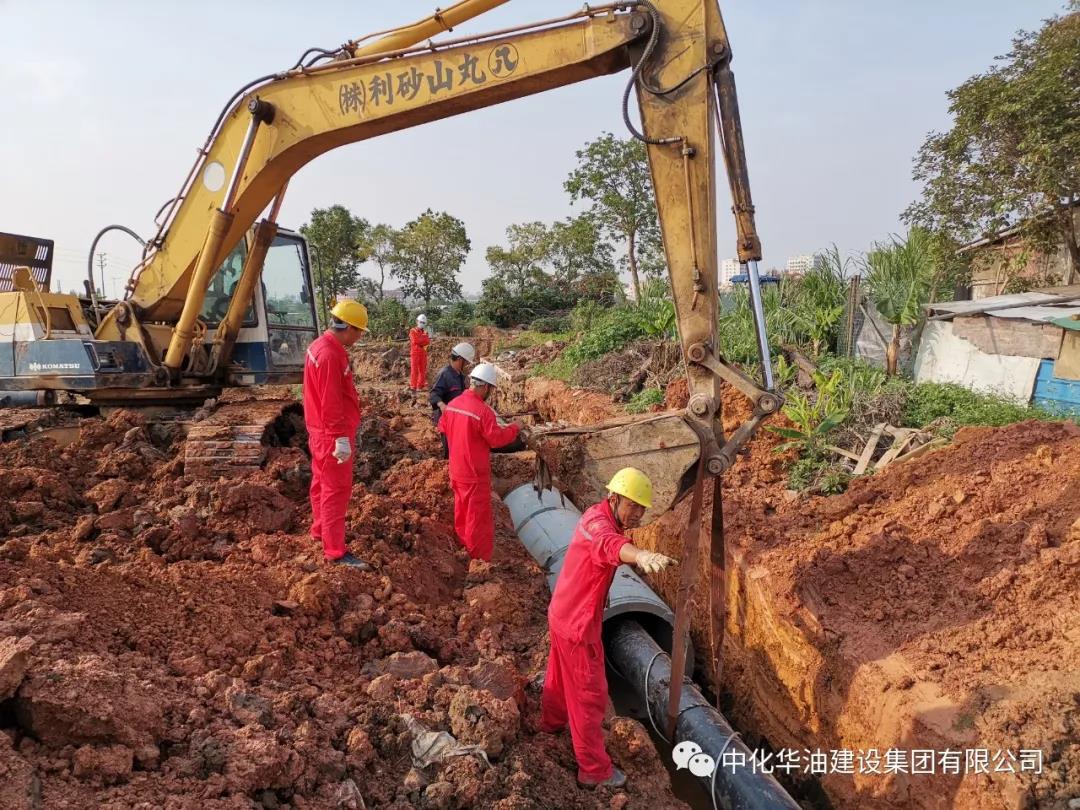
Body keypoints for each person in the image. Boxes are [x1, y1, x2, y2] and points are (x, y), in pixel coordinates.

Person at [541, 468, 677, 789]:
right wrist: (640, 554)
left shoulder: (599, 515)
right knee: (589, 696)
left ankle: (550, 723)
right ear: (614, 498)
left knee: (559, 679)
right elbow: (610, 545)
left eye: (642, 508)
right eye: (633, 505)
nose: (638, 514)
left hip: (564, 613)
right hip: (578, 625)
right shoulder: (599, 527)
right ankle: (593, 770)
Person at [303, 299, 371, 569]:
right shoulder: (330, 355)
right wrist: (340, 437)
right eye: (359, 332)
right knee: (336, 490)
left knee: (321, 483)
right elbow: (330, 401)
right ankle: (335, 551)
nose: (359, 337)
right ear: (350, 328)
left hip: (321, 431)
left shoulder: (321, 346)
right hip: (331, 434)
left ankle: (320, 531)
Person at [438, 363, 520, 562]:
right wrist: (514, 428)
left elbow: (443, 427)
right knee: (478, 520)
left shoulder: (453, 404)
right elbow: (496, 439)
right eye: (490, 390)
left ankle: (464, 548)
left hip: (456, 470)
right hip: (475, 475)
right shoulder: (483, 412)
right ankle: (479, 561)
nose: (489, 394)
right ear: (485, 387)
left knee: (462, 512)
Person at [428, 342, 476, 458]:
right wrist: (441, 405)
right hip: (446, 418)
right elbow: (433, 394)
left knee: (458, 446)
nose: (467, 365)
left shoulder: (461, 376)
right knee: (449, 448)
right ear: (460, 360)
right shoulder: (445, 374)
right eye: (466, 362)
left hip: (457, 417)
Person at [409, 314, 431, 391]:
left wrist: (421, 339)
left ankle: (420, 386)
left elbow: (427, 341)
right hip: (415, 353)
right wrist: (423, 338)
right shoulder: (412, 331)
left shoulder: (425, 332)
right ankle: (413, 386)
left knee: (422, 370)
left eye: (423, 323)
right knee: (414, 370)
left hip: (423, 353)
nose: (422, 324)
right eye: (420, 322)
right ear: (417, 321)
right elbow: (415, 341)